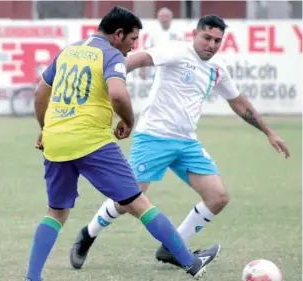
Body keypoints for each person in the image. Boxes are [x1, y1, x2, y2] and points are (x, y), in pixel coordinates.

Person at [70, 14, 290, 271]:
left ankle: (172, 248)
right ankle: (88, 234)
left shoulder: (217, 70)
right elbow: (138, 59)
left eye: (217, 40)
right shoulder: (176, 51)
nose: (211, 44)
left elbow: (239, 102)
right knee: (127, 200)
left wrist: (269, 132)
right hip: (153, 137)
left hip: (186, 143)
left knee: (218, 197)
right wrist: (108, 76)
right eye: (207, 37)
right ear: (195, 34)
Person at [25, 7, 221, 281]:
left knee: (56, 212)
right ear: (118, 34)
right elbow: (118, 93)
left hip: (56, 140)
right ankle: (190, 262)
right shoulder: (111, 54)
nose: (133, 47)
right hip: (92, 141)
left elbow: (39, 93)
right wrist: (128, 120)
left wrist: (45, 128)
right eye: (132, 39)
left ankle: (32, 278)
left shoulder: (69, 50)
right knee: (139, 204)